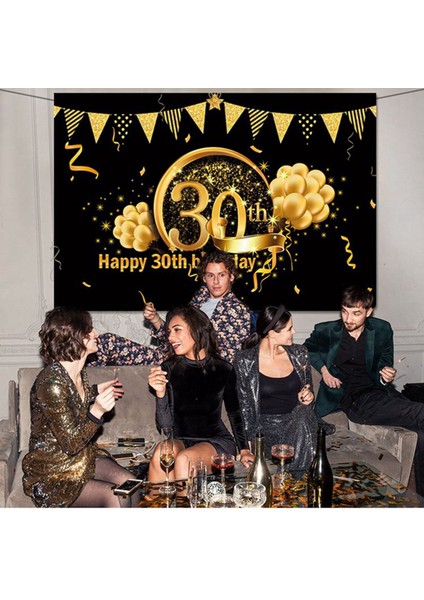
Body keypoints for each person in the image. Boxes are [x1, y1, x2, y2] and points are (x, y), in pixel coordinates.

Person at [303, 285, 424, 495]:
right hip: (353, 400)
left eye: (356, 313)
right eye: (344, 311)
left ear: (368, 312)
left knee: (421, 432)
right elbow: (307, 350)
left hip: (377, 393)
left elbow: (384, 363)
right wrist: (324, 371)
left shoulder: (382, 329)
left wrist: (386, 375)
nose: (348, 318)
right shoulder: (325, 330)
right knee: (420, 411)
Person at [22, 307, 135, 507]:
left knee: (131, 483)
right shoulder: (50, 384)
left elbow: (72, 398)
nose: (96, 333)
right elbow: (71, 444)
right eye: (90, 329)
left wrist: (95, 390)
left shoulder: (75, 371)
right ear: (76, 336)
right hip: (53, 470)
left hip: (81, 458)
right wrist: (97, 411)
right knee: (114, 496)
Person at [90, 250, 252, 367]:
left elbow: (229, 359)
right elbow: (176, 335)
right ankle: (88, 393)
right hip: (167, 354)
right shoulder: (200, 298)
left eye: (221, 275)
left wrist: (190, 360)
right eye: (211, 275)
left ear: (231, 276)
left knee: (108, 343)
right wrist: (155, 319)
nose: (216, 281)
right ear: (204, 278)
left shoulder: (238, 311)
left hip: (187, 365)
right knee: (106, 342)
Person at [147, 305, 248, 482]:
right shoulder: (168, 368)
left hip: (215, 441)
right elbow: (165, 426)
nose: (170, 337)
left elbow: (235, 413)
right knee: (160, 454)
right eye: (169, 332)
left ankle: (187, 499)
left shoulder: (224, 369)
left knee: (184, 460)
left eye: (177, 330)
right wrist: (160, 393)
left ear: (197, 329)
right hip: (180, 440)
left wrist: (244, 449)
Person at [233, 305, 334, 469]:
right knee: (303, 425)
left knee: (303, 417)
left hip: (297, 420)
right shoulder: (245, 360)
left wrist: (308, 397)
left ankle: (297, 478)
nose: (294, 332)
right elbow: (244, 406)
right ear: (272, 333)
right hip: (265, 428)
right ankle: (305, 477)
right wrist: (247, 444)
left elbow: (308, 392)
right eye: (289, 329)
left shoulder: (300, 354)